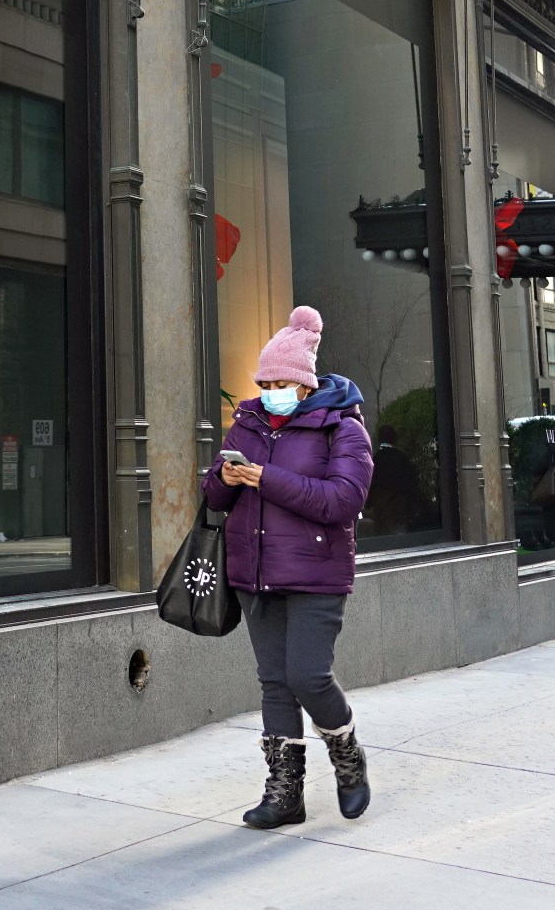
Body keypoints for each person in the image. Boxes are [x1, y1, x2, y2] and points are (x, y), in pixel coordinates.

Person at [202, 306, 375, 829]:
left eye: (282, 380)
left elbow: (343, 500)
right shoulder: (248, 422)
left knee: (308, 676)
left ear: (305, 384)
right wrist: (223, 479)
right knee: (275, 683)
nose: (271, 388)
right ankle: (284, 794)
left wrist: (265, 478)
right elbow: (213, 496)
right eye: (265, 380)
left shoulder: (342, 429)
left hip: (315, 575)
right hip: (255, 574)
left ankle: (347, 754)